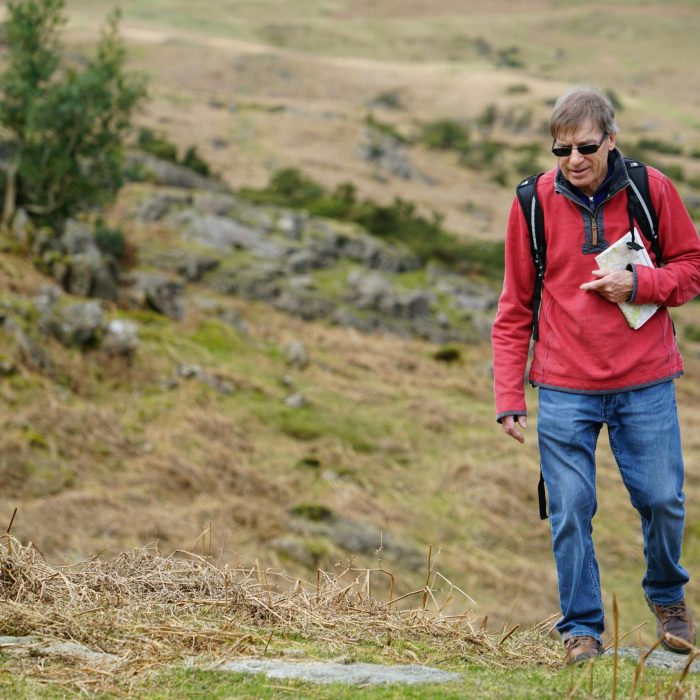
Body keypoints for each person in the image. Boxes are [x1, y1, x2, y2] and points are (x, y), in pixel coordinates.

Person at [491, 86, 700, 665]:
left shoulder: (650, 189)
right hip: (563, 386)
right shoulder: (532, 203)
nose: (574, 160)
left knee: (662, 500)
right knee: (569, 509)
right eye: (562, 149)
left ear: (611, 139)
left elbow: (692, 267)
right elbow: (514, 307)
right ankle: (581, 629)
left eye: (586, 146)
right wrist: (510, 394)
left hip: (646, 380)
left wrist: (640, 285)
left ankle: (667, 599)